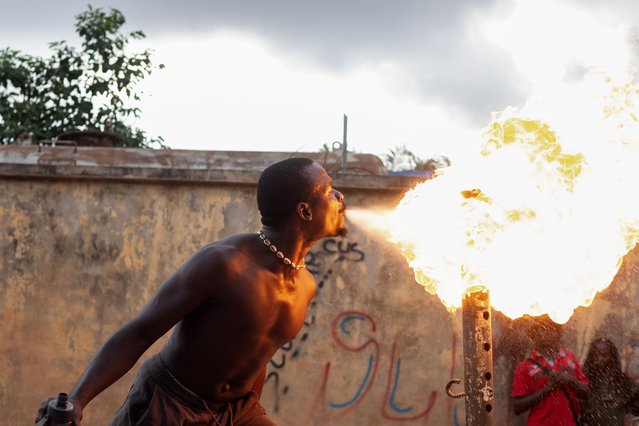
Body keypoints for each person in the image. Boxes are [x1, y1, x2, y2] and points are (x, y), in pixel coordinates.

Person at [36, 157, 347, 425]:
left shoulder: (305, 285)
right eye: (329, 189)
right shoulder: (225, 264)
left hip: (237, 411)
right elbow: (140, 332)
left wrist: (249, 408)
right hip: (171, 403)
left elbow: (256, 352)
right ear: (305, 212)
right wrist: (77, 400)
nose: (339, 196)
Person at [511, 314, 589, 426]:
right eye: (542, 328)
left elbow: (586, 393)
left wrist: (570, 380)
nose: (547, 332)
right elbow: (517, 407)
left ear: (558, 333)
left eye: (552, 327)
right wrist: (548, 389)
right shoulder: (525, 366)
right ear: (535, 333)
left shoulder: (570, 358)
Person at [580, 337, 639, 426]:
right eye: (595, 355)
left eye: (604, 355)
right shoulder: (583, 380)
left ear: (612, 357)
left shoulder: (623, 383)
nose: (599, 359)